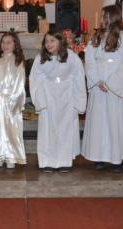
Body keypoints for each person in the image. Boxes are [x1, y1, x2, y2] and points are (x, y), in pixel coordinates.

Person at [81, 5, 123, 172]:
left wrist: (111, 83)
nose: (102, 20)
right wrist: (98, 80)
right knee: (99, 123)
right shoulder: (95, 38)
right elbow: (89, 60)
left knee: (114, 122)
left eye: (104, 17)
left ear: (113, 18)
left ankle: (116, 158)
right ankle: (99, 156)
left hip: (115, 90)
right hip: (98, 87)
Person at [29, 31, 87, 172]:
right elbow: (35, 78)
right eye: (46, 41)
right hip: (48, 96)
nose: (48, 44)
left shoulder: (71, 57)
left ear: (60, 41)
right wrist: (39, 99)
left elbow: (78, 77)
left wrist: (79, 100)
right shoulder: (40, 58)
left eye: (52, 40)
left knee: (65, 128)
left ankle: (63, 161)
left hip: (66, 97)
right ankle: (47, 160)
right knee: (48, 129)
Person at [0, 32, 27, 168]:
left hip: (11, 100)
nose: (5, 45)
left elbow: (19, 82)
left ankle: (11, 156)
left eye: (9, 42)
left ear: (15, 44)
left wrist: (14, 100)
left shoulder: (18, 61)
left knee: (12, 129)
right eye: (3, 42)